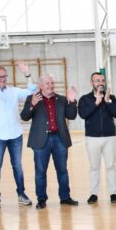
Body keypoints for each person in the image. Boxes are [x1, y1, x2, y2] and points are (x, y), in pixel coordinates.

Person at [20, 74, 79, 209]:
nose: (51, 86)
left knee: (62, 170)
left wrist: (72, 101)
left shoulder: (62, 99)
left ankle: (65, 197)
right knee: (40, 172)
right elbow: (24, 117)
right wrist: (32, 105)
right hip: (41, 141)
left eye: (52, 83)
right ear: (40, 86)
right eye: (47, 83)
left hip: (60, 139)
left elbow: (72, 116)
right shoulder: (32, 98)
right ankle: (41, 199)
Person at [0, 62, 36, 208]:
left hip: (15, 135)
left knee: (17, 166)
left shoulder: (13, 91)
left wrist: (27, 73)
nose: (2, 79)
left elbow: (32, 90)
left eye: (4, 76)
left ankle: (21, 194)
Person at [78, 72, 116, 205]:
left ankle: (113, 193)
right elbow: (83, 114)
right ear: (92, 83)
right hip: (92, 138)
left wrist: (107, 101)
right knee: (94, 167)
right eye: (97, 80)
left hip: (110, 137)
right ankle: (94, 194)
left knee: (111, 166)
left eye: (102, 80)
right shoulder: (85, 99)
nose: (100, 83)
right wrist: (96, 103)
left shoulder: (111, 98)